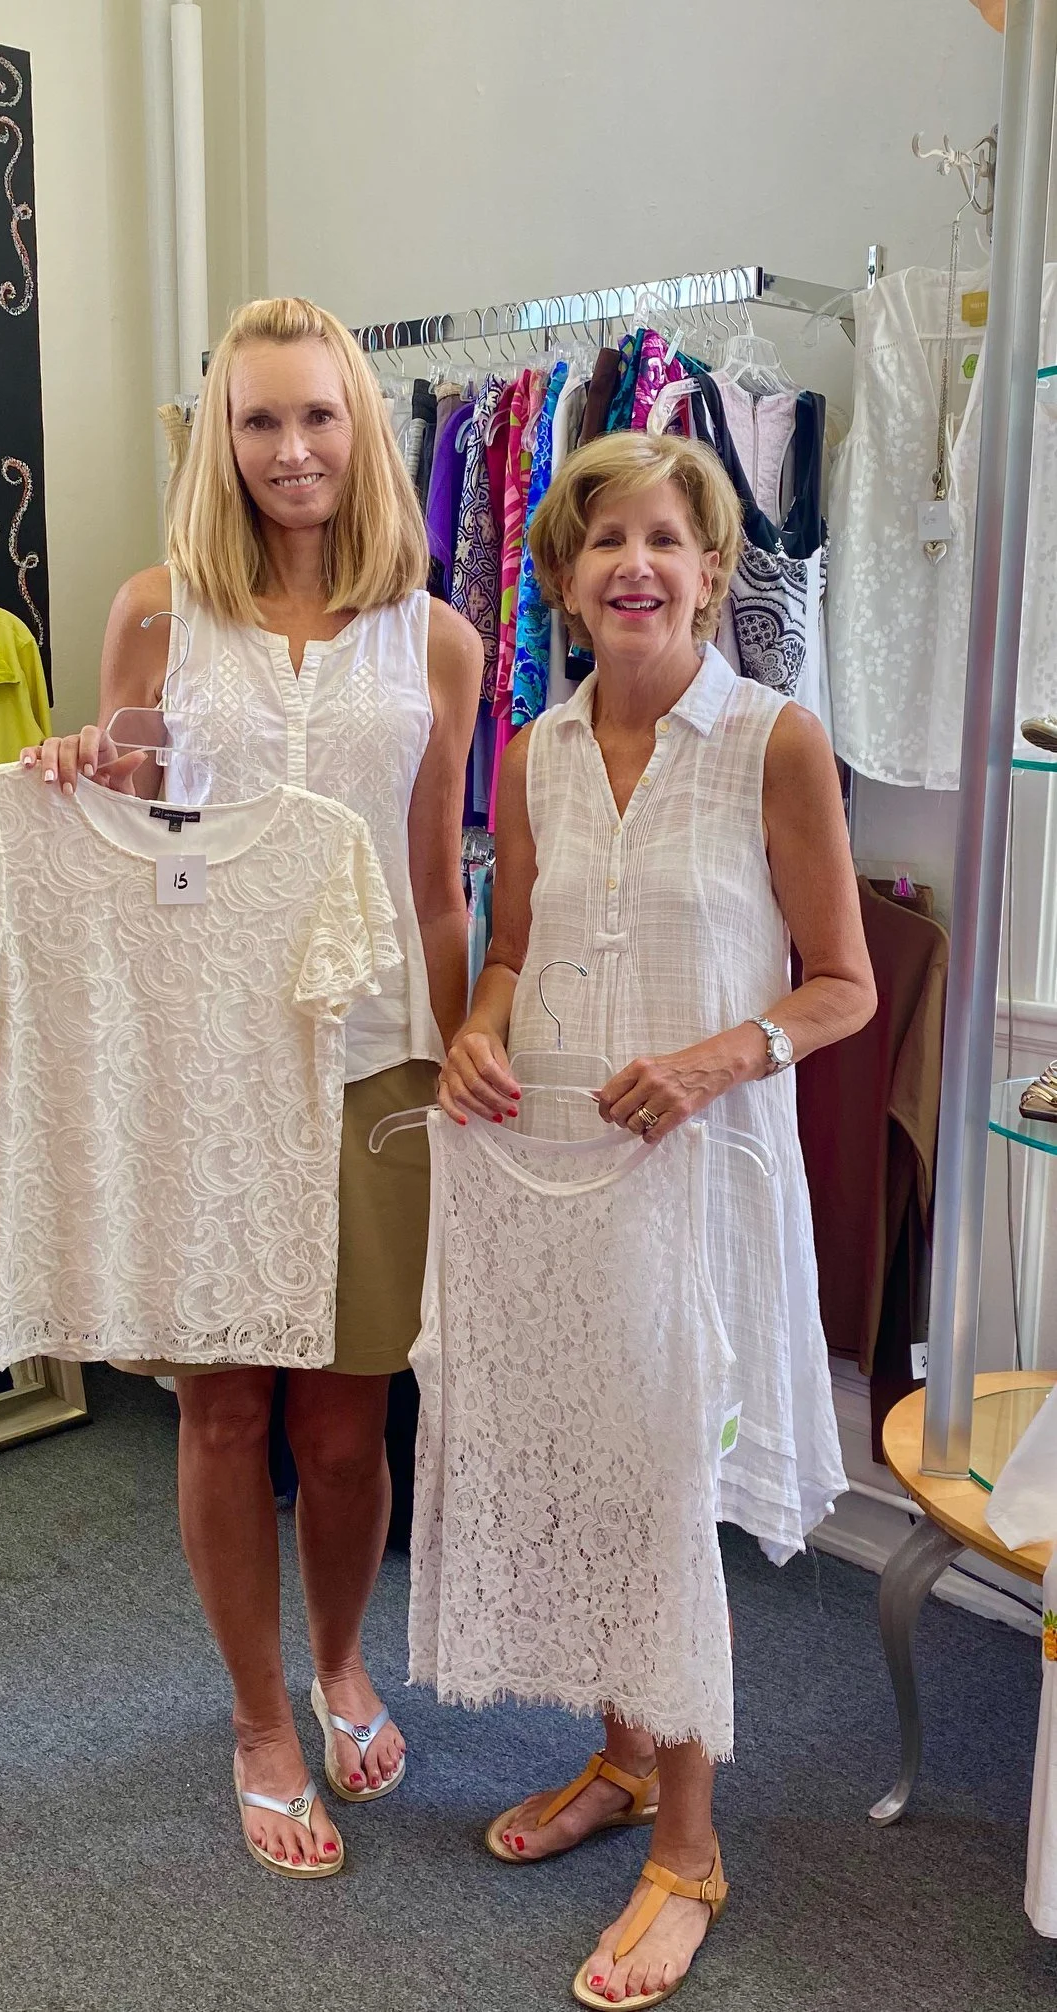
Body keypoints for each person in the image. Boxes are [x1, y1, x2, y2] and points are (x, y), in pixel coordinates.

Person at [29, 297, 482, 1875]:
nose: (291, 451)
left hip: (374, 1063)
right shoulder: (157, 615)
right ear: (219, 442)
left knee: (352, 1427)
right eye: (259, 421)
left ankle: (343, 1655)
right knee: (226, 1415)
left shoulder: (434, 637)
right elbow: (130, 838)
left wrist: (451, 1042)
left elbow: (438, 884)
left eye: (318, 418)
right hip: (208, 1070)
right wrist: (81, 776)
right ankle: (256, 1717)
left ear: (363, 435)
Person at [436, 430, 875, 2006]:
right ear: (561, 577)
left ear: (709, 572)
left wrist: (710, 1061)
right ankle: (621, 1759)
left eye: (668, 541)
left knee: (667, 1496)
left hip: (696, 1173)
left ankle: (687, 1848)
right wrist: (480, 1026)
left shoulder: (773, 740)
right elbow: (510, 950)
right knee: (587, 1459)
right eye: (604, 540)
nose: (637, 566)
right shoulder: (533, 750)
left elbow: (843, 985)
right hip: (549, 1162)